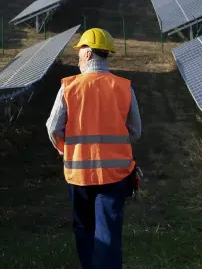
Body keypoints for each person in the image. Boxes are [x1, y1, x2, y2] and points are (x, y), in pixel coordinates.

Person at [46, 28, 142, 269]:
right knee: (108, 231)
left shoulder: (69, 86)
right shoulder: (123, 87)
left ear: (88, 54)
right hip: (115, 175)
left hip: (79, 175)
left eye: (79, 53)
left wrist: (64, 149)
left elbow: (53, 127)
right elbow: (136, 131)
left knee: (84, 228)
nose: (77, 58)